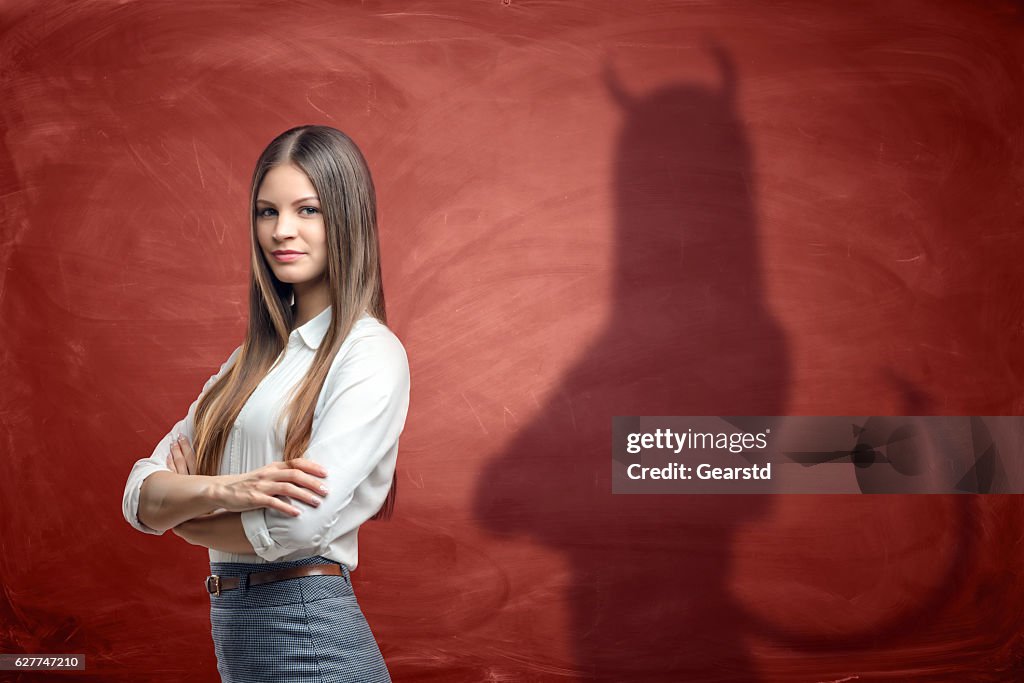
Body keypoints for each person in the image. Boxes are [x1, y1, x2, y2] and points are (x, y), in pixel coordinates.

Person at [120, 125, 410, 683]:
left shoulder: (369, 353)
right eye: (266, 212)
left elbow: (299, 528)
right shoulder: (245, 364)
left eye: (307, 210)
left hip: (309, 634)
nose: (282, 231)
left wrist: (185, 520)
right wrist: (220, 490)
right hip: (237, 630)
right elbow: (139, 494)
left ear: (345, 219)